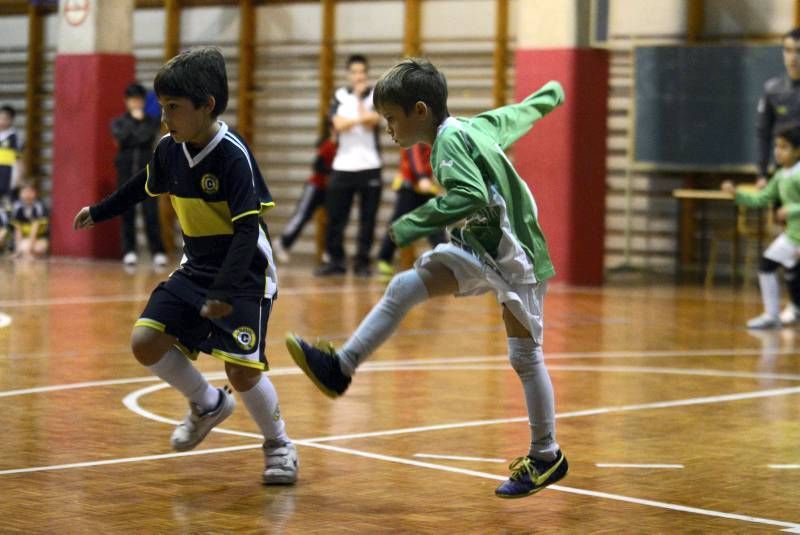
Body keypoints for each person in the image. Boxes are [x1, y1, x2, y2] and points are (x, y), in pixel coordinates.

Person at [286, 58, 568, 498]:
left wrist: (413, 224)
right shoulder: (469, 127)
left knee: (525, 358)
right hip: (479, 247)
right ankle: (341, 367)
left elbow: (470, 194)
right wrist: (548, 96)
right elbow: (515, 118)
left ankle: (546, 455)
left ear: (420, 111)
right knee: (404, 286)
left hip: (516, 258)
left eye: (392, 119)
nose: (388, 129)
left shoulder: (449, 142)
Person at [73, 47, 298, 485]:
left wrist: (223, 292)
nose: (164, 119)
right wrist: (101, 210)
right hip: (196, 267)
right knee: (145, 342)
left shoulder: (233, 156)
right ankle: (207, 403)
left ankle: (280, 445)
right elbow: (145, 182)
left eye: (173, 108)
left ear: (207, 105)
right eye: (163, 107)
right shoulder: (170, 148)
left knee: (243, 370)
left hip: (244, 272)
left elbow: (246, 234)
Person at [723, 124, 800, 329]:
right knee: (767, 267)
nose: (778, 151)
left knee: (793, 273)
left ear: (798, 150)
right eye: (776, 146)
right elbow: (762, 199)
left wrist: (791, 209)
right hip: (793, 236)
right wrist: (736, 194)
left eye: (784, 147)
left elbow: (793, 207)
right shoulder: (781, 176)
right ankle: (771, 316)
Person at [315, 54, 383, 277]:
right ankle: (336, 261)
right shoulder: (339, 95)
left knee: (368, 219)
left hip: (370, 165)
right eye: (354, 72)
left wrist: (359, 103)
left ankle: (362, 262)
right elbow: (336, 124)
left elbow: (374, 120)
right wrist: (358, 118)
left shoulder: (375, 95)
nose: (358, 76)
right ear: (348, 74)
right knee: (335, 216)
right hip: (343, 165)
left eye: (362, 72)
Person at [757, 28, 800, 323]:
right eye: (787, 50)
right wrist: (762, 172)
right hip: (784, 182)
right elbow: (762, 133)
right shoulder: (774, 90)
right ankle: (794, 304)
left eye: (798, 51)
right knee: (787, 243)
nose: (793, 57)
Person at [112, 83, 168, 267]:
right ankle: (129, 251)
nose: (136, 103)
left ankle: (158, 251)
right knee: (127, 212)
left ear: (144, 101)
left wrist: (137, 126)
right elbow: (122, 137)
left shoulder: (152, 121)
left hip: (147, 173)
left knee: (150, 212)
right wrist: (134, 122)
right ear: (126, 102)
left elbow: (145, 138)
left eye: (139, 100)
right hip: (125, 172)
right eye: (132, 100)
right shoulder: (118, 122)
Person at [376, 143, 446, 281]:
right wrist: (420, 177)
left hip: (425, 185)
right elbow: (413, 153)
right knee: (399, 223)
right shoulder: (415, 132)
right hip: (410, 186)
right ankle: (384, 258)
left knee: (435, 225)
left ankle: (444, 261)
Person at [272, 122, 337, 264]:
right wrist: (331, 173)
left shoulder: (342, 147)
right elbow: (317, 166)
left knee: (333, 220)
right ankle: (283, 242)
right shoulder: (327, 146)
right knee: (302, 216)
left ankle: (330, 251)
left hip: (329, 189)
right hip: (315, 187)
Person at [11, 183, 48, 259]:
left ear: (35, 193)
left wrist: (29, 251)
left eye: (30, 192)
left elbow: (35, 229)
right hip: (25, 240)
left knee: (37, 248)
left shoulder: (39, 207)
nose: (27, 195)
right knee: (22, 247)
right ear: (20, 194)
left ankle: (32, 254)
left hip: (38, 239)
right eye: (24, 192)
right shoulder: (17, 207)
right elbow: (17, 230)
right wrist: (17, 251)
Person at [0, 104, 23, 208]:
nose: (2, 121)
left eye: (5, 119)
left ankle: (8, 221)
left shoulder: (14, 136)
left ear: (11, 120)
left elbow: (19, 158)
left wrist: (19, 176)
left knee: (7, 198)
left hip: (8, 171)